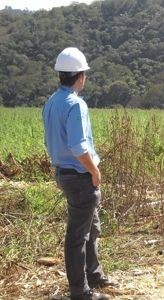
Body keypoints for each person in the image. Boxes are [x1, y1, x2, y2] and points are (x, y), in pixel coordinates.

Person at [43, 47, 116, 300]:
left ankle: (94, 275)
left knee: (91, 227)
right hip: (80, 176)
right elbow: (79, 147)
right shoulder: (76, 104)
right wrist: (94, 172)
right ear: (80, 75)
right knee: (77, 236)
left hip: (64, 174)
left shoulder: (52, 102)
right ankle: (79, 291)